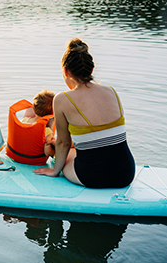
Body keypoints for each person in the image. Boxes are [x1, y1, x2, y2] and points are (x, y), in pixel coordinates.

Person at [34, 38, 135, 188]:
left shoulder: (62, 99)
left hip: (91, 176)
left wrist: (55, 171)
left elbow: (64, 143)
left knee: (65, 153)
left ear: (66, 71)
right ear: (91, 70)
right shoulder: (111, 91)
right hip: (126, 174)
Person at [6, 90, 56, 165]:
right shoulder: (47, 131)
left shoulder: (25, 120)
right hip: (35, 160)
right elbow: (48, 152)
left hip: (16, 156)